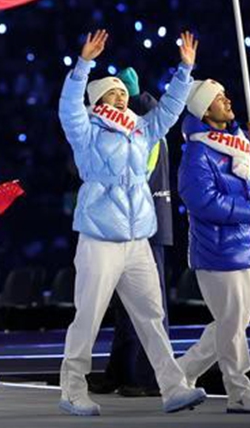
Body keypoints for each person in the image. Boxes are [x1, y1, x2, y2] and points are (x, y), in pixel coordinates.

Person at [56, 29, 206, 417]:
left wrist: (185, 69)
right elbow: (69, 106)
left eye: (123, 93)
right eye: (112, 92)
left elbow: (170, 111)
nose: (121, 96)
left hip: (139, 235)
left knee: (151, 317)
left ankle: (172, 388)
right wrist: (84, 64)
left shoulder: (141, 129)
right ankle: (73, 390)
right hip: (100, 236)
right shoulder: (85, 130)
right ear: (97, 99)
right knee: (87, 316)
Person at [176, 78, 250, 414]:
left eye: (224, 95)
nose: (227, 101)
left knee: (231, 322)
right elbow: (202, 201)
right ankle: (238, 391)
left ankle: (182, 372)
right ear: (205, 110)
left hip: (247, 246)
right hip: (217, 252)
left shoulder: (238, 142)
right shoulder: (197, 151)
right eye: (219, 98)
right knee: (232, 323)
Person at [90, 68, 173, 398]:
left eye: (119, 93)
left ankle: (146, 377)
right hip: (133, 224)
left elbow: (136, 174)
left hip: (143, 224)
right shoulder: (137, 125)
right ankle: (122, 371)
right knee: (125, 305)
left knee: (148, 305)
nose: (116, 101)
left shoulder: (141, 127)